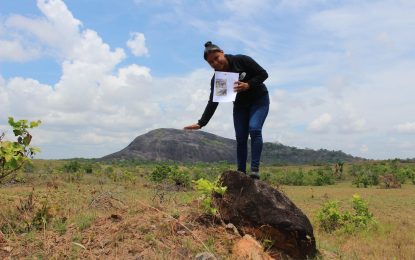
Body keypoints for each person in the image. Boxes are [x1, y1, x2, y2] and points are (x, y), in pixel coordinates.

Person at [184, 41, 270, 179]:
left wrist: (248, 85)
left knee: (254, 129)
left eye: (217, 58)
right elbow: (213, 101)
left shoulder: (241, 60)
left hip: (259, 100)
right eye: (211, 62)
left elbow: (263, 74)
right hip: (240, 106)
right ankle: (241, 173)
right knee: (241, 137)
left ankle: (254, 171)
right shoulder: (218, 79)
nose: (215, 63)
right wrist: (201, 123)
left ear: (222, 52)